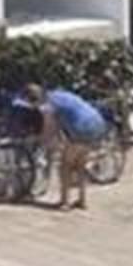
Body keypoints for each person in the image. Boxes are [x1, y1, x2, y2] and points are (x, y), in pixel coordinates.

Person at [29, 83, 108, 211]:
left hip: (81, 128)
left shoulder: (47, 106)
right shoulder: (58, 94)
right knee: (80, 164)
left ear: (35, 100)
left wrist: (40, 141)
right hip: (97, 122)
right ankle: (82, 201)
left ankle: (65, 202)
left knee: (65, 166)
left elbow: (49, 129)